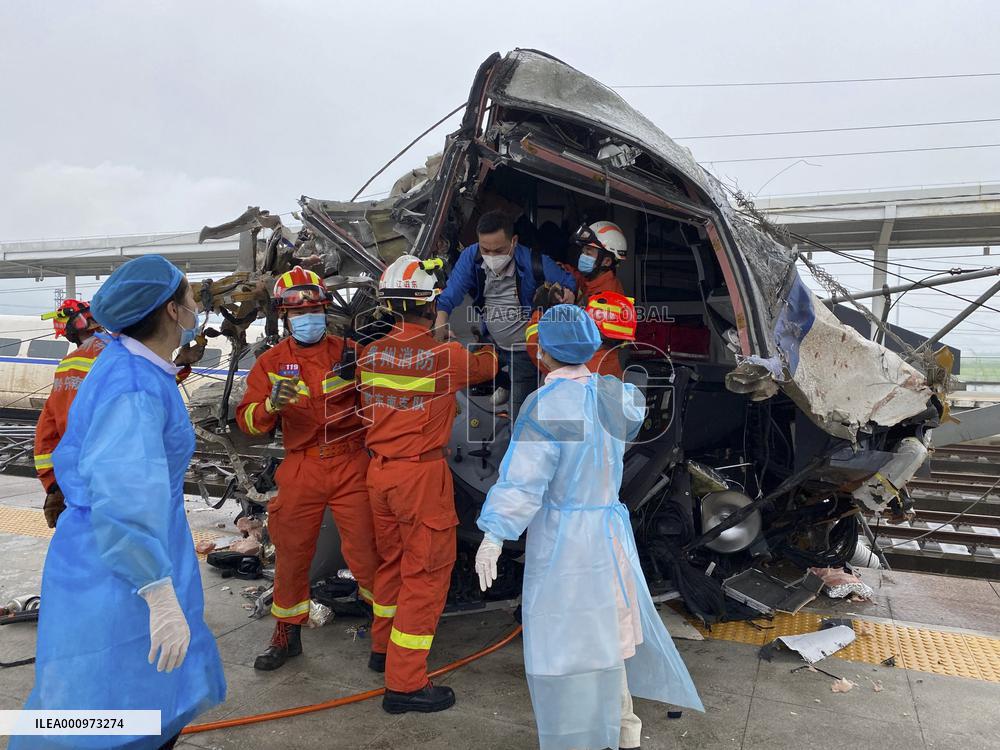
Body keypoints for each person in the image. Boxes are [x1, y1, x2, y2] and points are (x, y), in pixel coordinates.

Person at [13, 255, 226, 750]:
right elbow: (122, 497)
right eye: (190, 295)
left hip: (128, 555)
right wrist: (157, 590)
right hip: (122, 571)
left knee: (133, 706)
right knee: (109, 711)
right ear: (172, 311)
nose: (197, 304)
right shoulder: (134, 387)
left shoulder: (133, 366)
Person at [475, 305, 702, 750]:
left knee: (567, 648)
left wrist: (494, 533)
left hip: (567, 545)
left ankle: (580, 737)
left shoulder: (552, 405)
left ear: (541, 350)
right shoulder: (614, 396)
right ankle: (625, 733)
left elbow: (525, 479)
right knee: (607, 642)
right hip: (609, 536)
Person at [359, 255, 497, 714]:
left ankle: (383, 651)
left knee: (393, 563)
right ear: (432, 301)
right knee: (427, 574)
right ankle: (405, 684)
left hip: (379, 473)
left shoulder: (371, 353)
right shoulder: (447, 355)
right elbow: (487, 367)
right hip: (419, 476)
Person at [236, 266, 379, 671]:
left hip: (352, 461)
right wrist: (269, 407)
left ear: (325, 310)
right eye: (299, 314)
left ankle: (384, 639)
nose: (307, 318)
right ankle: (286, 635)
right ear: (285, 316)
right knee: (292, 555)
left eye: (314, 310)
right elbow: (247, 422)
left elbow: (380, 404)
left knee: (367, 553)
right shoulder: (271, 362)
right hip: (303, 464)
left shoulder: (349, 352)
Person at [433, 210, 576, 418]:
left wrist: (568, 295)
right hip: (491, 342)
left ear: (514, 241)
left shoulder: (535, 263)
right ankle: (502, 382)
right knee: (472, 373)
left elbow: (570, 283)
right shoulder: (471, 257)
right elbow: (451, 293)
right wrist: (441, 320)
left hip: (523, 350)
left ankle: (516, 443)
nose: (491, 257)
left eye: (498, 250)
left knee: (519, 416)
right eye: (485, 250)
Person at [34, 299, 106, 528]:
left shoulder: (67, 364)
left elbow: (47, 427)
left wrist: (53, 486)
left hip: (78, 476)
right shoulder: (122, 351)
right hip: (117, 473)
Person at [525, 291, 637, 379]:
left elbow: (536, 346)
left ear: (594, 329)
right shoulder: (609, 362)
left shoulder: (578, 360)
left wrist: (540, 311)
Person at [572, 221, 627, 304]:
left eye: (588, 253)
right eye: (583, 252)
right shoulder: (592, 278)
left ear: (606, 261)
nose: (582, 257)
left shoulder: (607, 298)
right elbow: (575, 276)